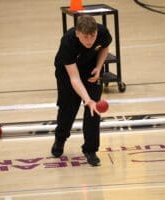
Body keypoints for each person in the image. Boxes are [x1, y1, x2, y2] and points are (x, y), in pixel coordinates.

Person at [52, 15, 112, 166]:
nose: (90, 40)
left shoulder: (102, 32)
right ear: (77, 33)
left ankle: (90, 150)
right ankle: (60, 139)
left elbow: (104, 48)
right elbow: (75, 79)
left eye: (93, 36)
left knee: (94, 110)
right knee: (68, 108)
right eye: (86, 37)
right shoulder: (68, 41)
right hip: (68, 73)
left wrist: (99, 67)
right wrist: (87, 99)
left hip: (91, 68)